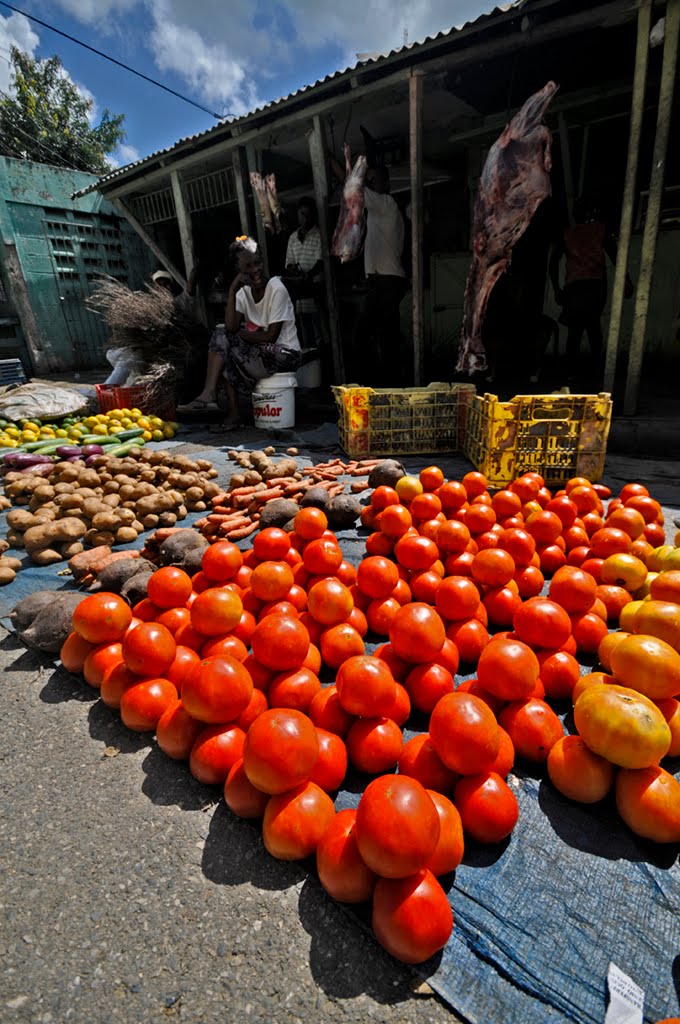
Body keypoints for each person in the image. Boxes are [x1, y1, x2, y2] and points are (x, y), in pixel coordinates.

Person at [180, 237, 301, 426]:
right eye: (248, 266)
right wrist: (232, 291)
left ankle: (210, 394)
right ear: (239, 271)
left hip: (285, 355)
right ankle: (231, 411)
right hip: (261, 353)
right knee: (223, 343)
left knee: (225, 341)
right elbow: (230, 327)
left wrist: (238, 336)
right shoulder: (242, 293)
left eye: (258, 263)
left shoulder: (277, 289)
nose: (255, 270)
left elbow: (270, 337)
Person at [331, 156, 406, 383]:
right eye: (368, 181)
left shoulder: (386, 205)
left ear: (385, 184)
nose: (370, 185)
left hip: (387, 283)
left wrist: (330, 158)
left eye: (374, 181)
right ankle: (387, 384)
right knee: (384, 338)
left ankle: (378, 384)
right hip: (382, 283)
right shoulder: (376, 212)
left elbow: (353, 186)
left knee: (363, 336)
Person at [550, 197, 633, 385]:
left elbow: (553, 262)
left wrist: (556, 288)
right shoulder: (599, 230)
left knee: (575, 330)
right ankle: (596, 371)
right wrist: (626, 277)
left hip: (575, 287)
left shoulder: (568, 234)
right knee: (593, 327)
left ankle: (572, 373)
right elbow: (614, 254)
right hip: (594, 285)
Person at [284, 197, 324, 350]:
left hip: (316, 292)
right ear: (298, 215)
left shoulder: (319, 235)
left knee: (319, 335)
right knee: (305, 338)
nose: (305, 218)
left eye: (308, 214)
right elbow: (289, 263)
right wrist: (293, 270)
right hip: (300, 297)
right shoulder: (293, 238)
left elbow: (320, 263)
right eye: (302, 214)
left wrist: (308, 276)